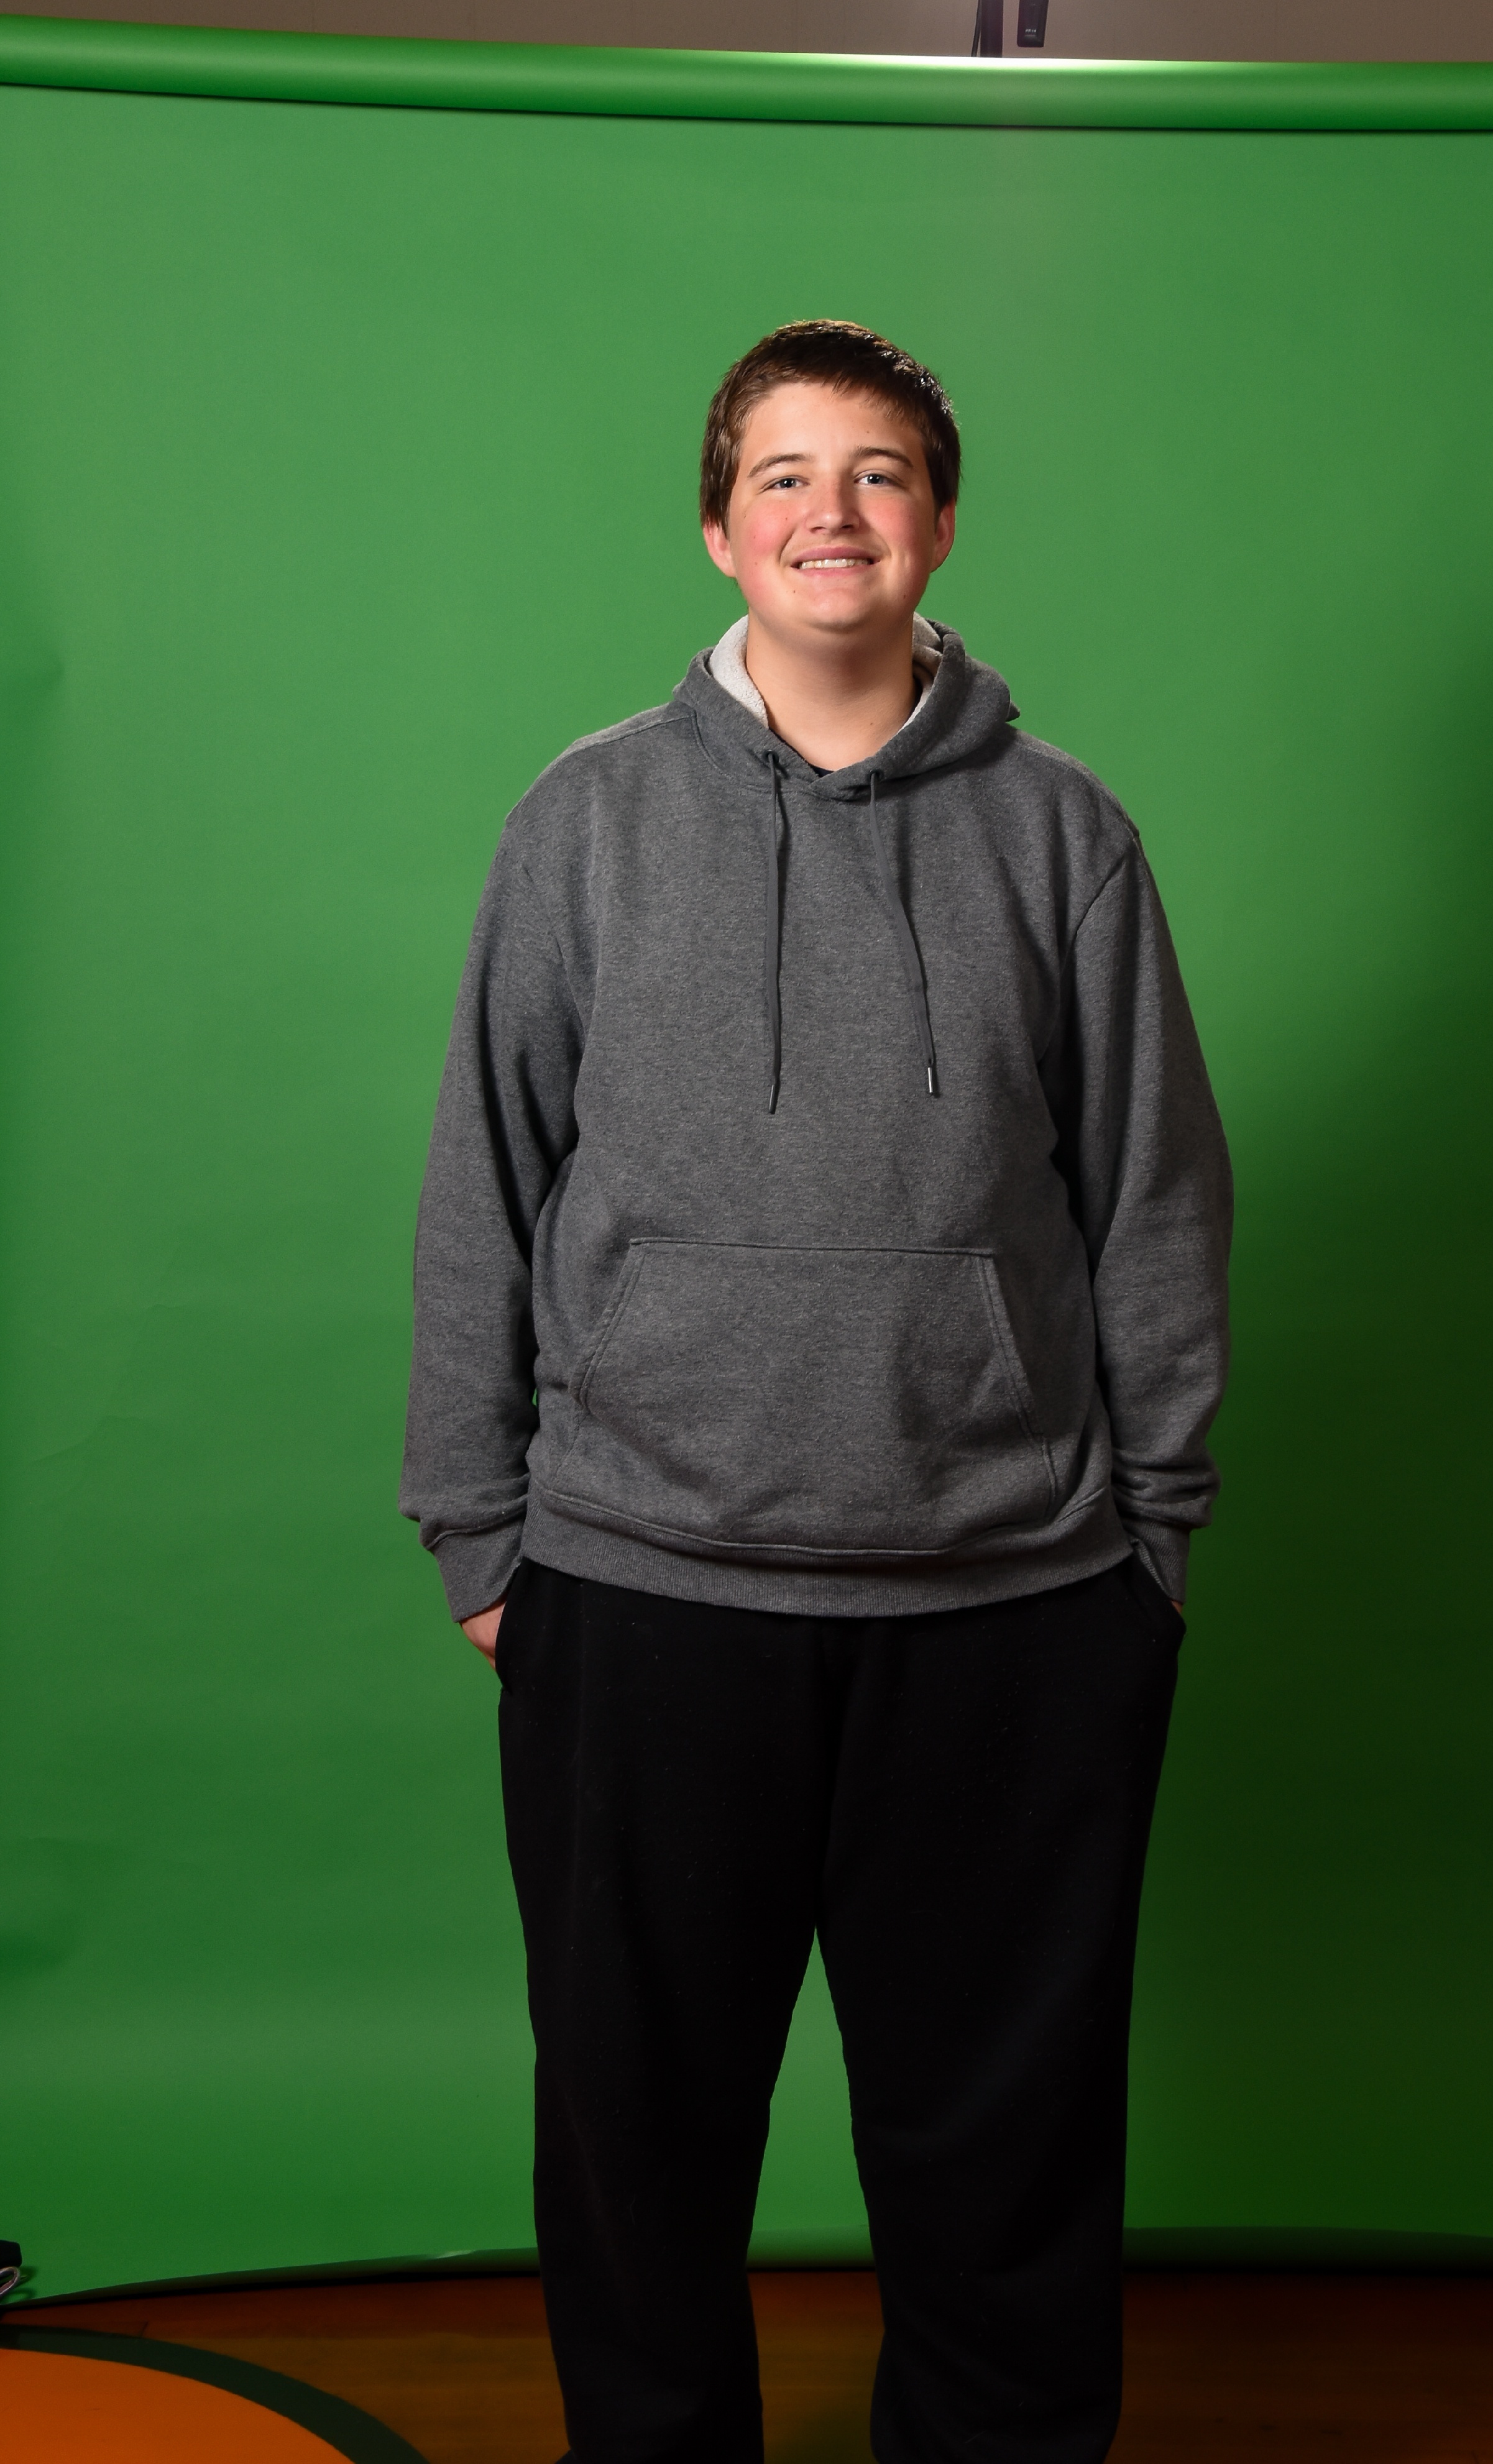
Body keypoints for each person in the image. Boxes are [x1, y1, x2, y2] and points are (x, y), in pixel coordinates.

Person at [401, 319, 1232, 2464]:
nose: (829, 511)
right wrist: (477, 1531)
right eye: (782, 473)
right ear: (717, 527)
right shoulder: (586, 820)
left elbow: (1151, 1192)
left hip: (1010, 1601)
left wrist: (1149, 1540)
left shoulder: (1063, 834)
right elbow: (484, 1176)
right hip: (640, 1583)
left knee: (1002, 2140)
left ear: (937, 523)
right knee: (635, 2129)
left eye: (876, 472)